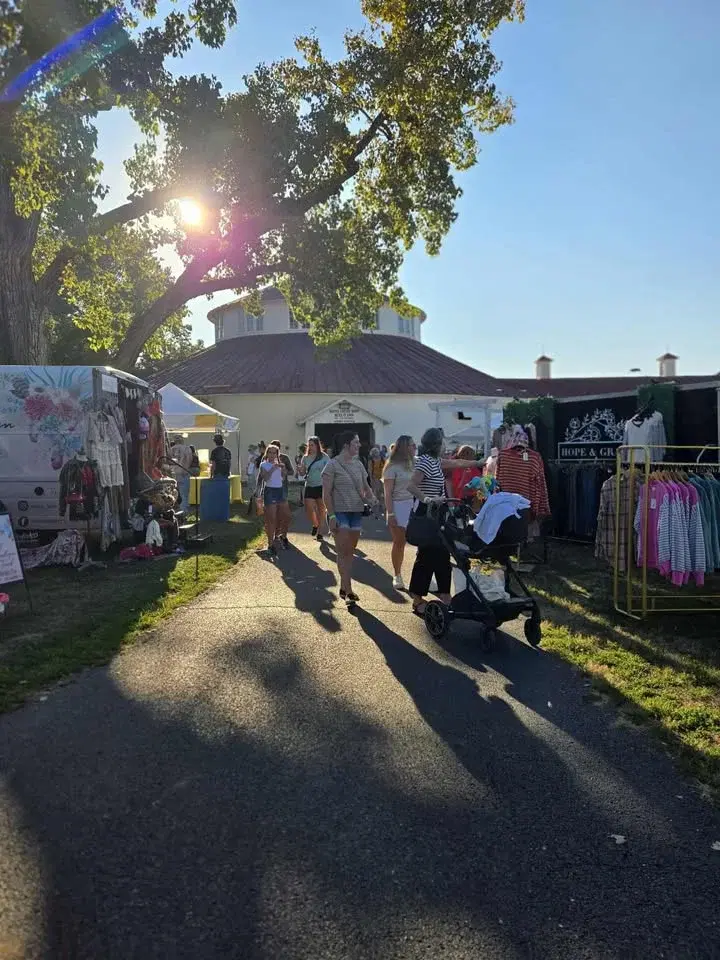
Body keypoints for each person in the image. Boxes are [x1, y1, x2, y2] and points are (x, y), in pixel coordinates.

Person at [407, 427, 483, 616]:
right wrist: (427, 499)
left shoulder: (436, 461)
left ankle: (444, 593)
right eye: (442, 442)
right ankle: (417, 600)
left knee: (443, 552)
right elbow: (411, 485)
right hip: (426, 512)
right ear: (436, 444)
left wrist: (478, 462)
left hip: (439, 512)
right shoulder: (425, 462)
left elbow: (457, 463)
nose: (444, 446)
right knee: (426, 555)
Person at [322, 430, 376, 606]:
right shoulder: (332, 465)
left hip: (356, 513)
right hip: (339, 513)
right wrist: (331, 515)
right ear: (346, 445)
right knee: (344, 551)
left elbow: (366, 488)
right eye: (356, 442)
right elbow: (326, 494)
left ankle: (344, 588)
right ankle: (349, 589)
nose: (359, 445)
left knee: (349, 553)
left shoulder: (359, 464)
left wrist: (374, 499)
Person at [382, 435, 416, 590]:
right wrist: (390, 513)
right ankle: (397, 575)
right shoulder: (391, 467)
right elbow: (387, 493)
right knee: (399, 542)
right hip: (398, 505)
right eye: (411, 445)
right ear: (403, 447)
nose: (414, 447)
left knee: (420, 541)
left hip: (415, 505)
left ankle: (421, 576)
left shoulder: (416, 463)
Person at [258, 444, 291, 555]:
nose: (272, 455)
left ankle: (283, 537)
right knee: (271, 519)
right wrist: (273, 468)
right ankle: (270, 545)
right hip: (270, 491)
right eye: (270, 452)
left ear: (278, 454)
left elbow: (283, 477)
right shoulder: (264, 464)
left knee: (286, 516)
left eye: (274, 453)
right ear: (267, 453)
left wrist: (283, 469)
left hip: (280, 491)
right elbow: (266, 478)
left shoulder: (280, 464)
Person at [299, 436, 330, 541]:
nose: (310, 447)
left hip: (321, 486)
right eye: (309, 445)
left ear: (317, 445)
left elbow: (330, 471)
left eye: (312, 445)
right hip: (309, 485)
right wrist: (300, 469)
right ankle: (315, 524)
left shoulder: (324, 457)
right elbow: (303, 473)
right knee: (309, 508)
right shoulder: (305, 457)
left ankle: (320, 533)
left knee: (322, 510)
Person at [168, 434, 193, 506]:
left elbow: (168, 462)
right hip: (184, 473)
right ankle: (183, 512)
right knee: (184, 496)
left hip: (173, 474)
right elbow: (189, 460)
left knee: (172, 495)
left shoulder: (171, 449)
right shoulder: (187, 449)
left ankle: (173, 512)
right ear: (182, 440)